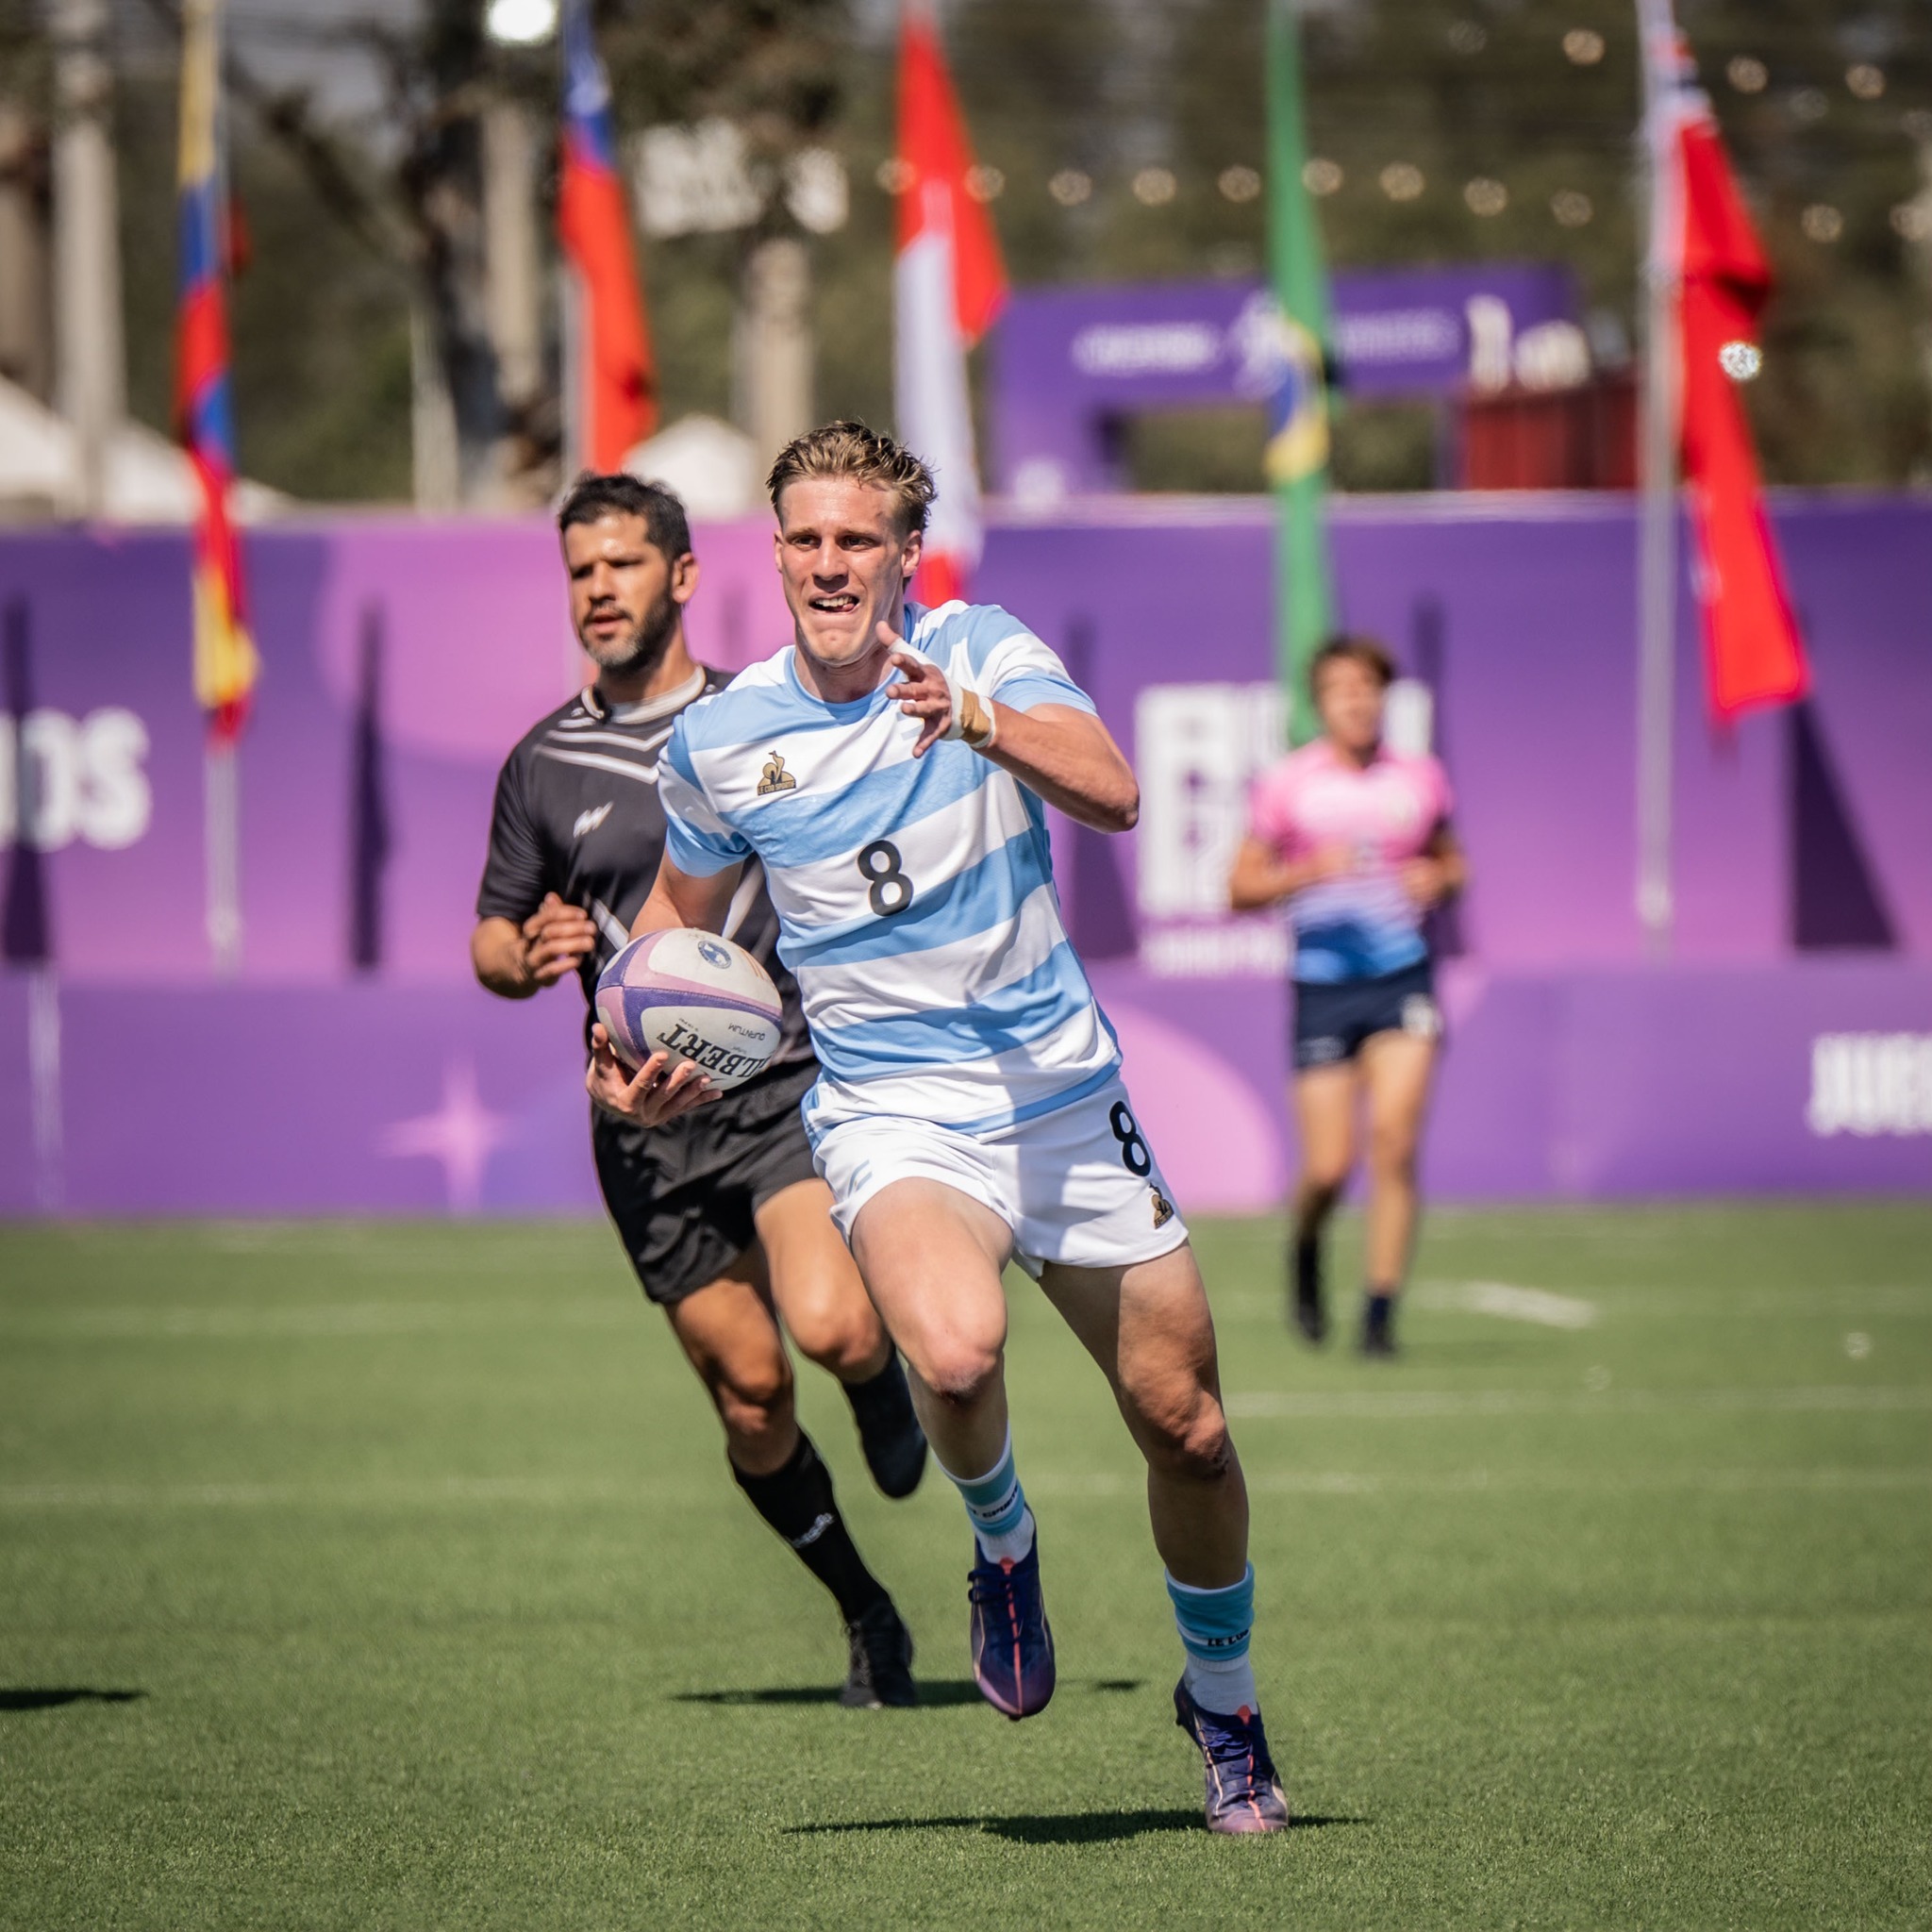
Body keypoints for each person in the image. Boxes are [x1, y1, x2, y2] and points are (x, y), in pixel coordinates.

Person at [589, 422, 1288, 1836]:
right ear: (772, 553)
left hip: (1063, 1100)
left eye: (859, 539)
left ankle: (1225, 1708)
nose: (830, 563)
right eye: (806, 538)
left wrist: (974, 719)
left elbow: (1115, 789)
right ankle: (1003, 1546)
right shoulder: (724, 739)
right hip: (891, 1111)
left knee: (1190, 1429)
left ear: (906, 553)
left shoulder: (980, 644)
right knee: (955, 1353)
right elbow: (678, 922)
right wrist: (625, 1041)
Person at [471, 471, 926, 1709]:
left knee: (830, 1328)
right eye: (580, 571)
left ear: (680, 577)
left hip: (776, 1085)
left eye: (621, 565)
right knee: (752, 1392)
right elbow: (492, 944)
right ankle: (867, 1611)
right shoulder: (542, 764)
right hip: (640, 1124)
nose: (598, 591)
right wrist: (531, 952)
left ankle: (884, 1379)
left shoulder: (758, 716)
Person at [1228, 636, 1467, 1358]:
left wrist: (1442, 879)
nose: (1358, 701)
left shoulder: (1420, 778)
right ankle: (1305, 1243)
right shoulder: (1289, 786)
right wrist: (1305, 874)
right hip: (1323, 985)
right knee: (1330, 1166)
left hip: (1403, 976)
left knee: (1394, 1141)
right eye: (1341, 689)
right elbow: (1239, 889)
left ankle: (1379, 1315)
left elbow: (1452, 859)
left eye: (1369, 687)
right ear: (1321, 703)